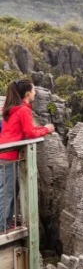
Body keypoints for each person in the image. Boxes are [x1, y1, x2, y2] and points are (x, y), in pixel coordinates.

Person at [0, 79, 54, 232]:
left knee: (9, 191)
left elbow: (26, 130)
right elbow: (30, 133)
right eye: (34, 89)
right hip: (8, 156)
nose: (36, 92)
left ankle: (5, 223)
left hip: (5, 155)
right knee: (7, 193)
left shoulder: (12, 108)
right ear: (28, 93)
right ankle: (2, 227)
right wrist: (46, 129)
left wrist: (41, 128)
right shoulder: (23, 110)